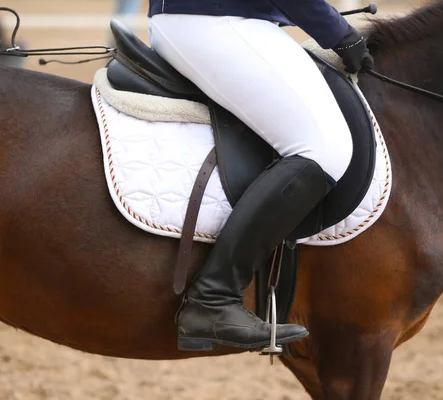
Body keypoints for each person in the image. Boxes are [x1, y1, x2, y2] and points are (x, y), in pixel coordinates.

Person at [147, 0, 373, 351]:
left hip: (211, 19)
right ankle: (214, 298)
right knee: (325, 150)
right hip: (216, 20)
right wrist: (338, 32)